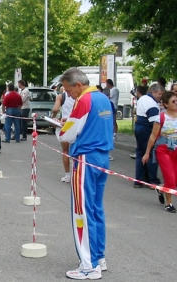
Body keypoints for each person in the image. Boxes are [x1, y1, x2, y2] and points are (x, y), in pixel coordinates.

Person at [57, 68, 113, 280]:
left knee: (82, 210)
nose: (68, 94)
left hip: (86, 158)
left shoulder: (84, 99)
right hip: (101, 157)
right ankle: (99, 258)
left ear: (78, 85)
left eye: (68, 89)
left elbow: (69, 133)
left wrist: (63, 127)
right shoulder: (102, 98)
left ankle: (88, 265)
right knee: (96, 209)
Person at [142, 91, 177, 212]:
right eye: (173, 102)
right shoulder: (161, 117)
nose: (176, 104)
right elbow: (153, 136)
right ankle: (169, 204)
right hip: (163, 149)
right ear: (165, 104)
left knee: (175, 180)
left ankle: (160, 189)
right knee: (169, 178)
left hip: (176, 150)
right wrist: (147, 153)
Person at [134, 84, 164, 188]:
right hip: (146, 128)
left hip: (138, 126)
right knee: (151, 153)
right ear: (154, 92)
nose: (160, 96)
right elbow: (154, 123)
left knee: (140, 153)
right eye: (159, 94)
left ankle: (139, 179)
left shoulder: (142, 98)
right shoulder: (153, 105)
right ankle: (153, 180)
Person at [51, 87, 75, 183]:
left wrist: (53, 117)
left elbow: (55, 109)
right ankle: (77, 173)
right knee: (76, 150)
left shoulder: (61, 96)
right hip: (75, 123)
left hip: (65, 125)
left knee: (65, 151)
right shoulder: (80, 95)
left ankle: (68, 175)